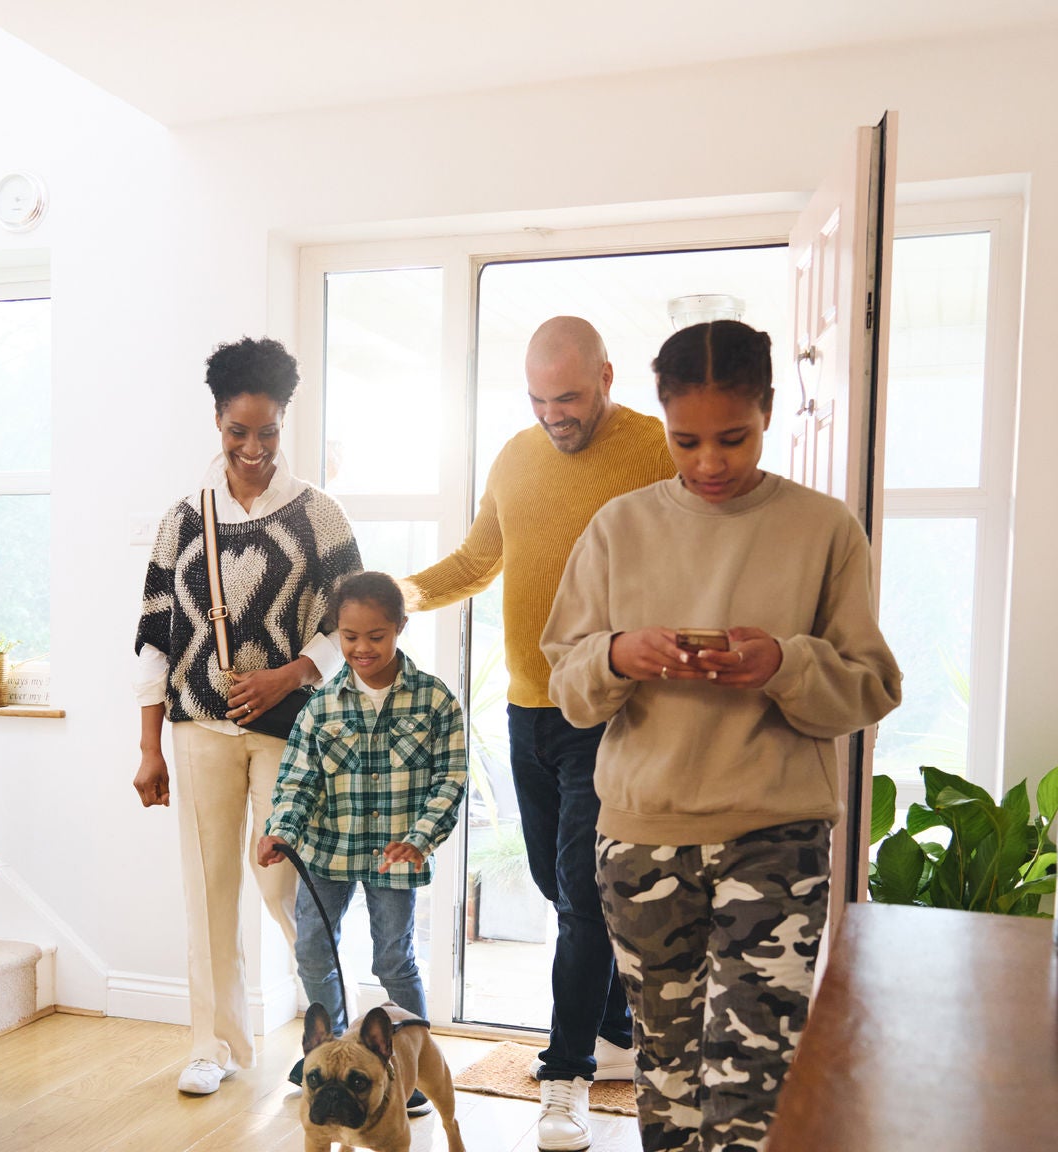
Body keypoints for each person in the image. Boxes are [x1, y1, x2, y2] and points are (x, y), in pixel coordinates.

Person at [542, 319, 902, 1152]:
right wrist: (618, 655)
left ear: (769, 412)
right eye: (686, 440)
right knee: (666, 1082)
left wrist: (785, 662)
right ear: (661, 420)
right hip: (640, 844)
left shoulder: (825, 530)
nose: (708, 463)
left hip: (775, 838)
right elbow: (567, 688)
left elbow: (873, 685)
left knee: (752, 1089)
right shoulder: (616, 528)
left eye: (732, 439)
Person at [403, 316, 676, 1150]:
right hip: (527, 709)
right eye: (538, 398)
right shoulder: (516, 456)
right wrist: (392, 595)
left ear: (606, 377)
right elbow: (478, 558)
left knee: (584, 899)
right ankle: (621, 1036)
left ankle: (566, 1081)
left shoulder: (655, 450)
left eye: (569, 397)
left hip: (609, 710)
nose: (554, 414)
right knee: (561, 888)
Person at [133, 335, 364, 1096]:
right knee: (207, 891)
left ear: (284, 419)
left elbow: (353, 623)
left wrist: (288, 675)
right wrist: (149, 748)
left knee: (284, 887)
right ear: (217, 421)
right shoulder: (182, 520)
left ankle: (336, 1040)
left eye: (268, 431)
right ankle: (215, 1045)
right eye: (239, 432)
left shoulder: (318, 516)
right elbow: (155, 637)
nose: (255, 448)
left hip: (286, 729)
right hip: (197, 728)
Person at [257, 570, 467, 1113]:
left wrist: (421, 839)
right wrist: (282, 830)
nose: (362, 648)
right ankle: (330, 1060)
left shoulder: (435, 701)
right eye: (350, 637)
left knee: (394, 959)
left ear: (401, 626)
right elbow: (297, 780)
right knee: (311, 948)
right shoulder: (321, 705)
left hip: (396, 855)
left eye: (376, 636)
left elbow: (451, 778)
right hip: (327, 850)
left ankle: (410, 1070)